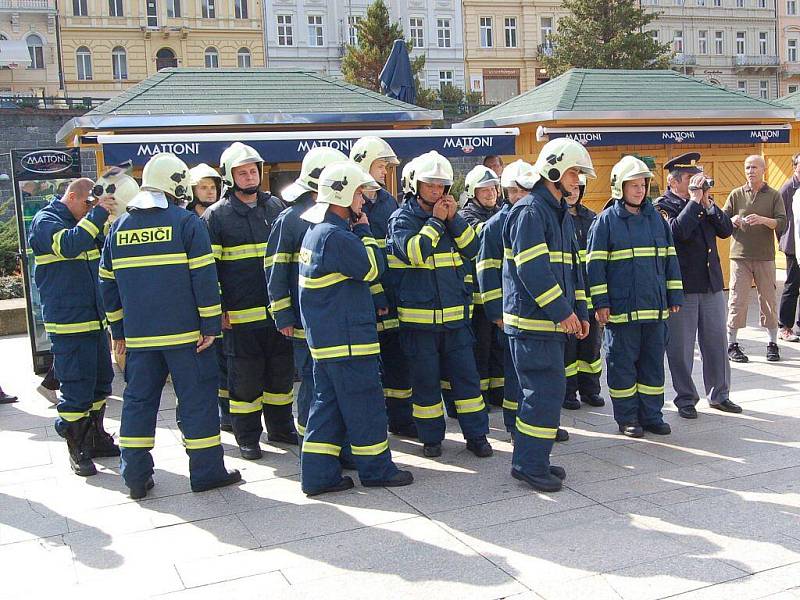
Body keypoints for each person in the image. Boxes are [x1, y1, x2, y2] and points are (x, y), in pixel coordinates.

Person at [99, 152, 241, 499]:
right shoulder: (185, 222)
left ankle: (134, 476)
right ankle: (206, 472)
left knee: (138, 402)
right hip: (189, 338)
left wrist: (119, 333)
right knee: (197, 402)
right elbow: (205, 279)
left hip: (140, 338)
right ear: (178, 184)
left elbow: (106, 284)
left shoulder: (119, 227)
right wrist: (211, 326)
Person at [298, 160, 413, 496]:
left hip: (328, 342)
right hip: (348, 342)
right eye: (360, 194)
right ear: (344, 195)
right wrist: (365, 231)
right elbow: (373, 269)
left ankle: (318, 476)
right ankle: (377, 470)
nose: (364, 201)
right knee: (366, 408)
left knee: (327, 408)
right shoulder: (338, 237)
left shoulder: (316, 232)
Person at [502, 139, 593, 493]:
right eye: (573, 173)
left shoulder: (557, 214)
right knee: (541, 393)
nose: (577, 180)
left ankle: (532, 459)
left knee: (547, 392)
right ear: (553, 171)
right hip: (533, 325)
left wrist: (579, 312)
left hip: (550, 324)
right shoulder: (530, 212)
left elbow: (573, 270)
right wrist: (563, 312)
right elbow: (533, 271)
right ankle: (529, 464)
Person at [388, 151, 492, 459]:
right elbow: (416, 252)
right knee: (426, 385)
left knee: (468, 383)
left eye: (442, 186)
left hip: (456, 321)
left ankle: (477, 436)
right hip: (419, 324)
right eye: (430, 185)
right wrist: (436, 221)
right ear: (414, 185)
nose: (437, 192)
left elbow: (473, 248)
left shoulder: (450, 217)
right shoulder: (402, 219)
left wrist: (454, 219)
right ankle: (431, 438)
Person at [203, 142, 297, 460]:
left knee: (281, 377)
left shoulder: (276, 209)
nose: (249, 176)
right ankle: (247, 438)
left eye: (253, 170)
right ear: (230, 178)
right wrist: (219, 310)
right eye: (242, 172)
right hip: (240, 318)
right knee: (244, 382)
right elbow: (208, 271)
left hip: (276, 315)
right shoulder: (216, 217)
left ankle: (282, 428)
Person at [587, 156, 683, 439]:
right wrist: (601, 304)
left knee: (653, 366)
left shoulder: (657, 220)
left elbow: (670, 260)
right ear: (620, 187)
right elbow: (595, 267)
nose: (640, 190)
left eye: (643, 185)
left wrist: (674, 293)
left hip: (654, 311)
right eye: (634, 185)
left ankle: (652, 415)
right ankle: (627, 418)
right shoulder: (605, 222)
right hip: (622, 312)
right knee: (622, 367)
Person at [28, 178, 118, 476]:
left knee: (101, 382)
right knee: (76, 387)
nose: (91, 209)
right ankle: (76, 446)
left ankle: (94, 436)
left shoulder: (85, 223)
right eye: (88, 203)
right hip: (68, 321)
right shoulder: (47, 221)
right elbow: (68, 245)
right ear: (72, 196)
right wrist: (97, 215)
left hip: (94, 319)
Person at [477, 159, 567, 442]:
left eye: (521, 191)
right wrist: (496, 312)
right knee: (515, 375)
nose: (518, 196)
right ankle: (514, 425)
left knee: (533, 381)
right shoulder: (496, 225)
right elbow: (486, 270)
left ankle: (538, 426)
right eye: (512, 192)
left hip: (536, 312)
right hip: (513, 313)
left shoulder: (537, 216)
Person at [266, 146, 347, 443]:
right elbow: (275, 270)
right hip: (304, 320)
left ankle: (334, 443)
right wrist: (283, 314)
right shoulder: (291, 219)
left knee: (333, 386)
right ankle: (310, 444)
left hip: (334, 318)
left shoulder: (338, 214)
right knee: (313, 386)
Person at [655, 152, 740, 419]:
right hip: (683, 286)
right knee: (681, 347)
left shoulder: (705, 202)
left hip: (711, 284)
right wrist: (694, 202)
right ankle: (685, 398)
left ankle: (720, 394)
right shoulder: (663, 206)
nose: (699, 184)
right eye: (692, 179)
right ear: (674, 181)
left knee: (716, 342)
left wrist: (711, 206)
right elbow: (676, 234)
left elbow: (726, 231)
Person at [350, 137, 417, 438]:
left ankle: (401, 420)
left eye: (387, 167)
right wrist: (376, 293)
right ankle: (373, 423)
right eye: (380, 165)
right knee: (370, 367)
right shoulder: (350, 202)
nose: (384, 172)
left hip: (392, 294)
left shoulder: (388, 201)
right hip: (365, 297)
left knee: (397, 360)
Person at [723, 155, 787, 363]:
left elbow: (782, 223)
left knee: (768, 299)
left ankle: (772, 343)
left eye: (754, 167)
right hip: (739, 256)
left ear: (764, 170)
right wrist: (732, 220)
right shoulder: (735, 194)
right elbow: (722, 219)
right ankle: (732, 343)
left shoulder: (774, 195)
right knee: (737, 300)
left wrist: (762, 220)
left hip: (765, 256)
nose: (750, 171)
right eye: (747, 167)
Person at [188, 163, 231, 433]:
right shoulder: (186, 220)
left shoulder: (220, 216)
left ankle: (227, 414)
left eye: (212, 187)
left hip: (222, 303)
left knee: (226, 364)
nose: (209, 192)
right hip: (197, 307)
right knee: (205, 366)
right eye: (203, 187)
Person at [460, 165, 504, 409]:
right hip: (477, 297)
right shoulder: (467, 216)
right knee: (481, 348)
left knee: (499, 347)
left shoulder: (498, 212)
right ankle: (481, 395)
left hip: (498, 293)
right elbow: (485, 234)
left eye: (493, 188)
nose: (490, 193)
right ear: (472, 192)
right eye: (484, 189)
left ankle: (498, 391)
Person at [563, 174, 605, 411]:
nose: (575, 192)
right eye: (572, 188)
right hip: (567, 294)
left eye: (579, 188)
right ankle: (568, 393)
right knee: (568, 347)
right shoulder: (557, 218)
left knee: (591, 347)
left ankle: (590, 390)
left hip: (588, 292)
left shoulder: (591, 218)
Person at [778, 153, 800, 342]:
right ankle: (784, 326)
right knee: (792, 286)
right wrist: (785, 240)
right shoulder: (787, 188)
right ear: (794, 167)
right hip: (794, 246)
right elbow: (780, 219)